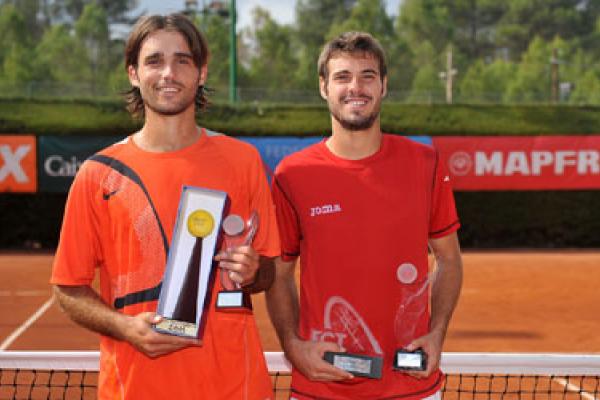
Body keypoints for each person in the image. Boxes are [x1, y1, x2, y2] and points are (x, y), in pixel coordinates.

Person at [51, 13, 280, 399]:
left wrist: (255, 269)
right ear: (133, 74)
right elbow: (68, 289)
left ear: (201, 73)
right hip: (135, 387)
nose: (168, 73)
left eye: (182, 60)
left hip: (234, 387)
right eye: (154, 61)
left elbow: (268, 273)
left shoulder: (243, 161)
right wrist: (125, 328)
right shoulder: (97, 174)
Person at [266, 31, 463, 400]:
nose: (355, 87)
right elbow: (278, 274)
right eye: (342, 77)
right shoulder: (292, 175)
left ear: (384, 85)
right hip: (321, 387)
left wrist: (436, 333)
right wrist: (293, 347)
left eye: (367, 76)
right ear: (323, 87)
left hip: (412, 387)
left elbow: (449, 260)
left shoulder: (426, 163)